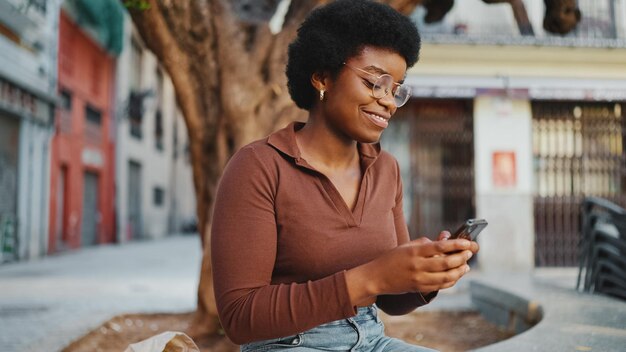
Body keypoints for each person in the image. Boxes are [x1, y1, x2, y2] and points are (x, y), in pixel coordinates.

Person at [211, 1, 479, 351]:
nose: (388, 101)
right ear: (322, 77)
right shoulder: (259, 167)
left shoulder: (386, 170)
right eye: (374, 83)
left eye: (396, 88)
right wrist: (368, 278)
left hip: (371, 339)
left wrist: (426, 275)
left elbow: (390, 301)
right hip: (289, 344)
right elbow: (240, 318)